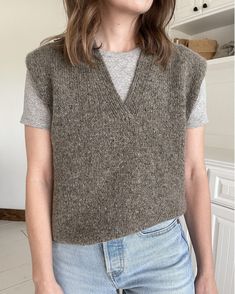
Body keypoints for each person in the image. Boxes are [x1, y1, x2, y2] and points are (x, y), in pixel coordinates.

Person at [20, 0, 218, 293]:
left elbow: (192, 173)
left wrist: (207, 272)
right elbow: (40, 176)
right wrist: (42, 277)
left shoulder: (186, 69)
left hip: (161, 253)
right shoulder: (46, 67)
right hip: (75, 257)